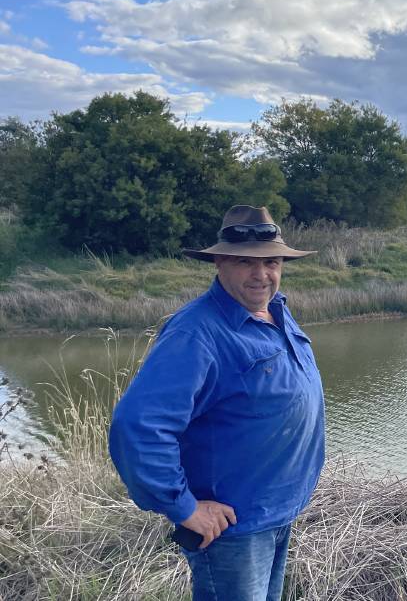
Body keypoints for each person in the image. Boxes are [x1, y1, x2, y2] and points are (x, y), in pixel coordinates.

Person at [109, 205, 325, 601]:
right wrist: (185, 508)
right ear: (220, 262)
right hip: (232, 530)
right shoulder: (196, 334)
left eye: (272, 261)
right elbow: (138, 426)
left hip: (277, 513)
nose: (262, 274)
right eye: (246, 262)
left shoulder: (275, 310)